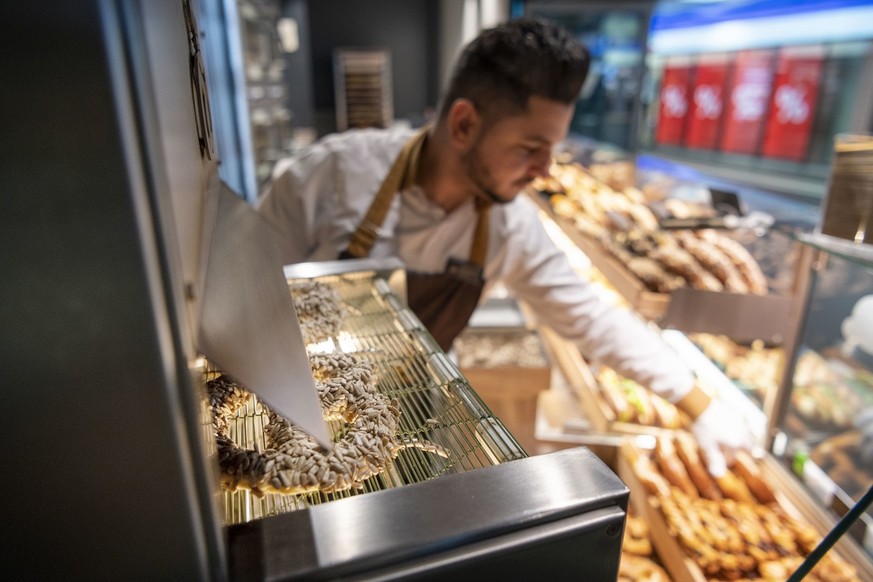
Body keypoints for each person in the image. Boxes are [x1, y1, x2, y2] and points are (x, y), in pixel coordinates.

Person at [257, 17, 753, 473]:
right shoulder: (328, 177)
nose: (544, 170)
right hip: (294, 408)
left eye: (552, 149)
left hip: (412, 412)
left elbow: (591, 318)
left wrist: (700, 404)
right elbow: (247, 292)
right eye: (530, 148)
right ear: (465, 124)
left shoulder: (508, 227)